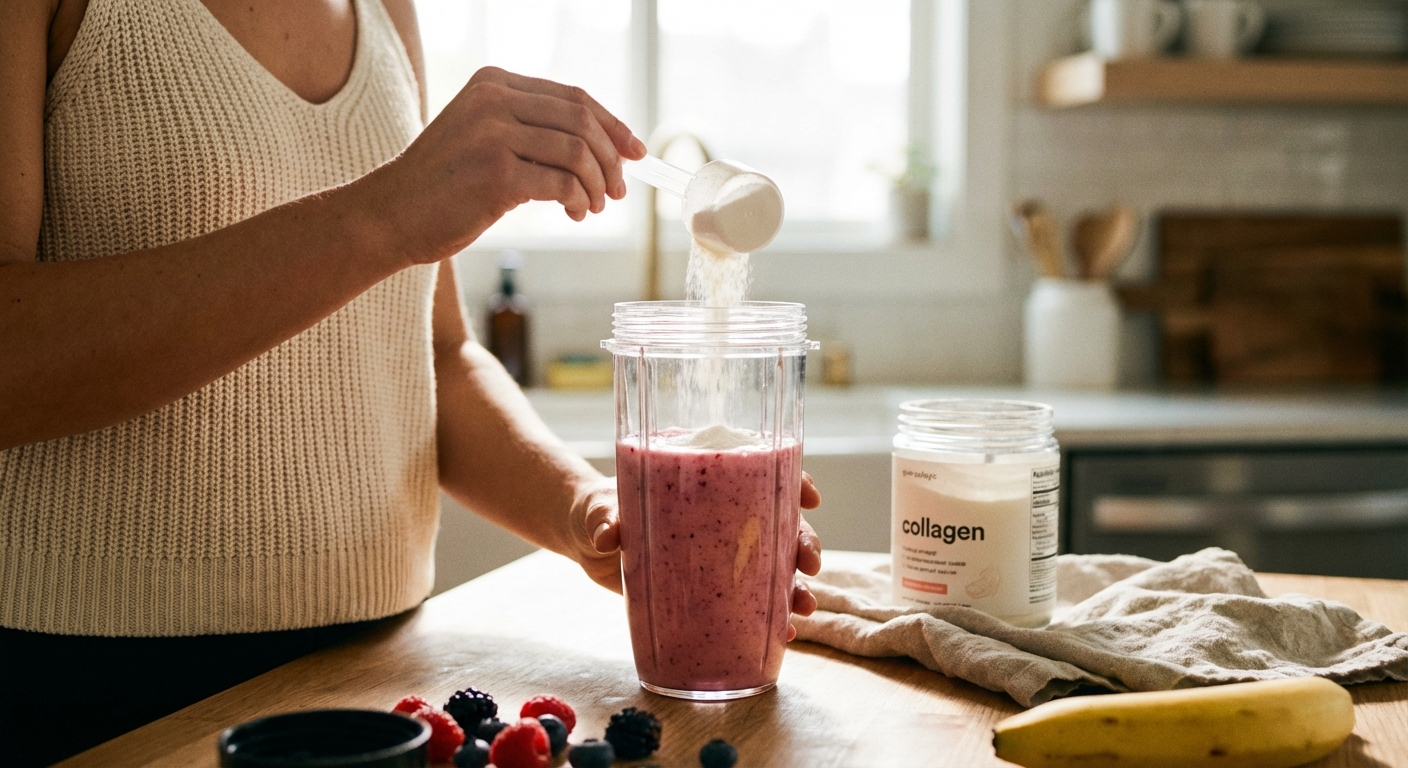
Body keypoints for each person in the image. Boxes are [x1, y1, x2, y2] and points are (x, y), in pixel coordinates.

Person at [0, 0, 824, 764]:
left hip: (386, 673)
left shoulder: (383, 8)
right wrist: (382, 215)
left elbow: (431, 356)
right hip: (98, 688)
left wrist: (592, 510)